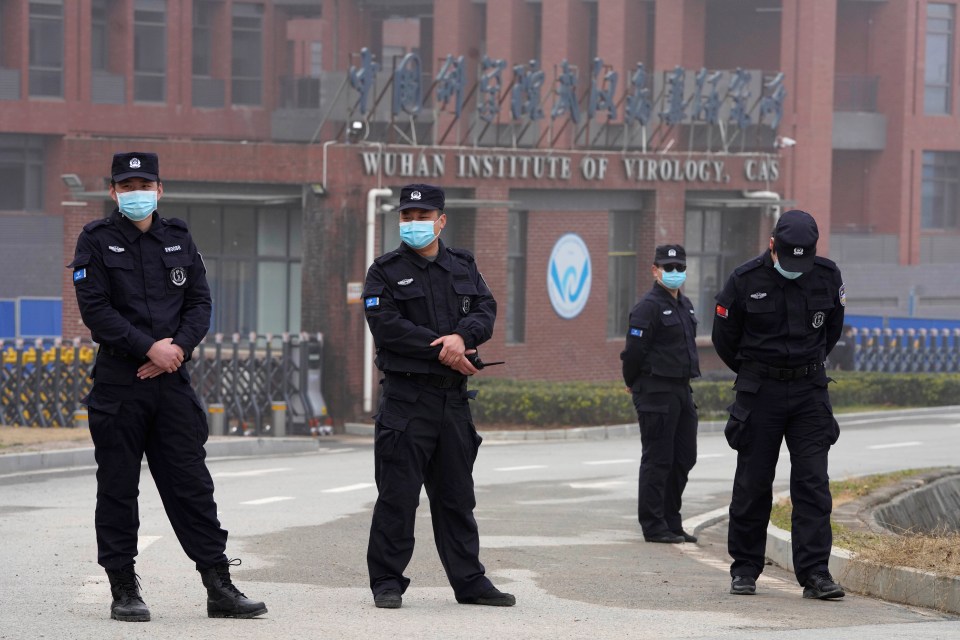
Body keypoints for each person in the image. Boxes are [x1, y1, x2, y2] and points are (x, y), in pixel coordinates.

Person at [70, 152, 267, 622]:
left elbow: (200, 302)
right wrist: (148, 349)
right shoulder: (95, 240)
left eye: (144, 183)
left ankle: (218, 585)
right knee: (118, 488)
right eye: (126, 185)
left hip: (172, 381)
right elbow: (95, 310)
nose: (136, 192)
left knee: (192, 485)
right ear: (113, 191)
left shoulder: (178, 238)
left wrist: (174, 350)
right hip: (120, 381)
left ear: (160, 189)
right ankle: (123, 588)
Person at [362, 183, 515, 610]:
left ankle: (470, 582)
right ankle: (387, 582)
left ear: (441, 220)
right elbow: (387, 326)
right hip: (406, 401)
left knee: (457, 497)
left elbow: (486, 309)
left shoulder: (463, 266)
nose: (414, 224)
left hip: (452, 402)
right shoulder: (384, 271)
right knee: (398, 496)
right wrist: (445, 349)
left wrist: (460, 337)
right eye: (407, 217)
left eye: (423, 217)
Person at [711, 209, 846, 600]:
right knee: (753, 482)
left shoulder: (827, 275)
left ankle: (816, 573)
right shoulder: (744, 279)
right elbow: (725, 339)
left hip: (809, 392)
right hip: (761, 392)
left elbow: (832, 330)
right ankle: (745, 569)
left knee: (813, 484)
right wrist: (758, 371)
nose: (796, 268)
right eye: (788, 259)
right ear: (773, 245)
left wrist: (804, 366)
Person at [620, 245, 700, 544]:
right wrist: (631, 381)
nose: (675, 272)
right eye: (669, 268)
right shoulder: (648, 306)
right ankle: (654, 525)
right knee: (658, 459)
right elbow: (634, 351)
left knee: (684, 457)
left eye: (680, 267)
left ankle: (671, 521)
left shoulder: (685, 305)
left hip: (681, 389)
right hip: (655, 390)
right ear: (655, 270)